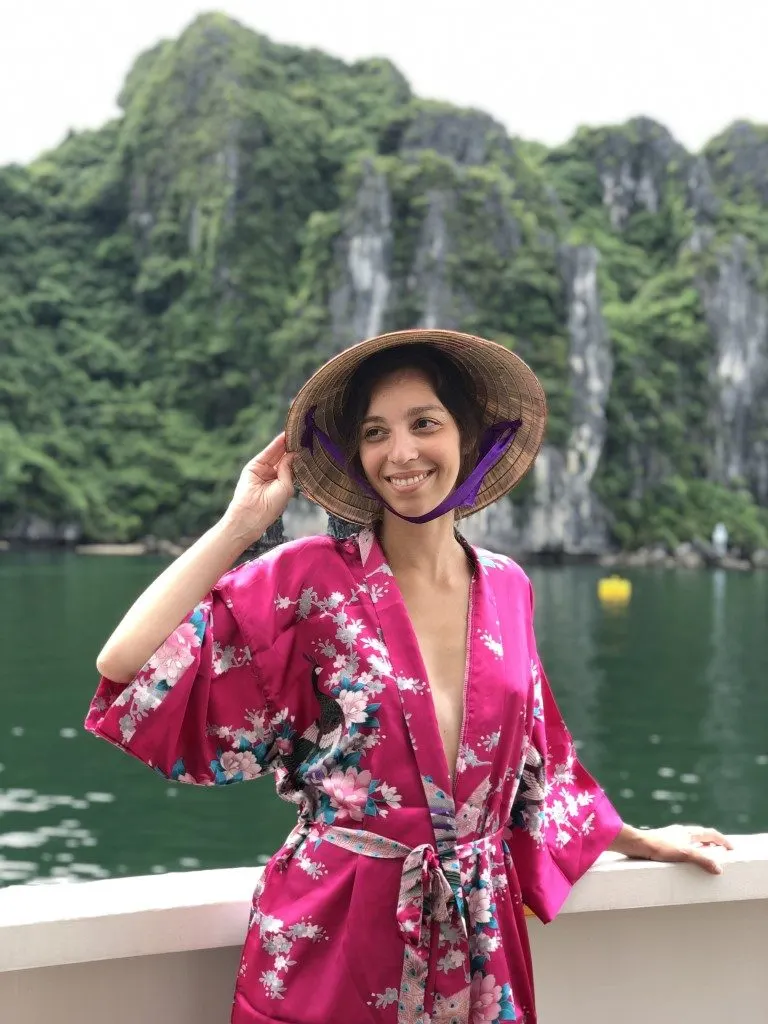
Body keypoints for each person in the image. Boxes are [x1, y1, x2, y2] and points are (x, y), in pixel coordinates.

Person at [87, 328, 731, 1024]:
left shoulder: (509, 586)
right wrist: (239, 525)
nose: (401, 453)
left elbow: (537, 765)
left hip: (476, 941)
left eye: (424, 423)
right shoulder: (309, 580)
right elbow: (127, 666)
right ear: (357, 456)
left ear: (471, 436)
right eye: (374, 432)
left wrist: (636, 839)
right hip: (332, 930)